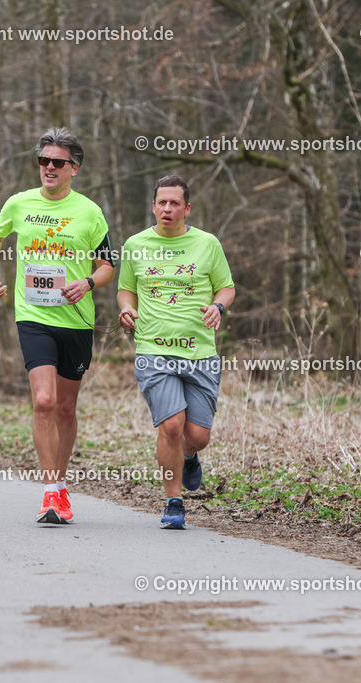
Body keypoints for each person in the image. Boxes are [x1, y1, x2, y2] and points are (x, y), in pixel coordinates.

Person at [0, 127, 115, 524]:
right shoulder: (19, 203)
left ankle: (62, 482)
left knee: (67, 408)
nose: (49, 168)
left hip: (75, 319)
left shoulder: (89, 211)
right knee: (44, 401)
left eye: (58, 162)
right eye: (44, 161)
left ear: (74, 168)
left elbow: (108, 265)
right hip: (33, 316)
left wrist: (88, 282)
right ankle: (50, 492)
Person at [117, 175, 235, 530]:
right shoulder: (135, 245)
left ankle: (189, 456)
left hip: (199, 352)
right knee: (171, 425)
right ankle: (173, 501)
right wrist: (126, 309)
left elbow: (226, 287)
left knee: (197, 435)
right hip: (154, 349)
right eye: (161, 202)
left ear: (187, 208)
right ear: (153, 206)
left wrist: (218, 306)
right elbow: (126, 290)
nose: (167, 209)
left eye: (174, 203)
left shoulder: (207, 244)